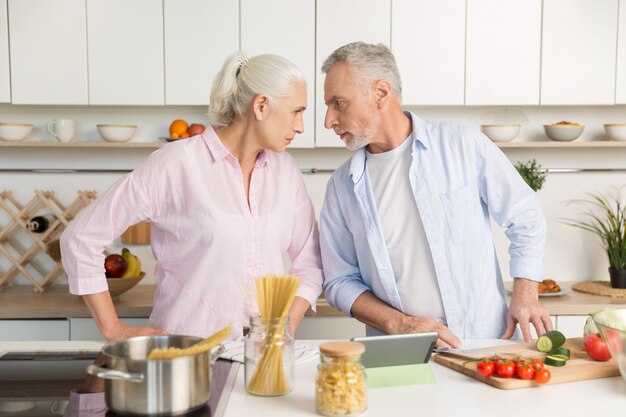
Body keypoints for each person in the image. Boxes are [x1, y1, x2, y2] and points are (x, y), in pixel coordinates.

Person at [61, 52, 323, 341]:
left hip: (263, 361)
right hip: (185, 356)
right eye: (296, 111)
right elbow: (80, 238)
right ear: (261, 106)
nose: (300, 126)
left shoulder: (286, 172)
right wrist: (113, 328)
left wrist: (283, 328)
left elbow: (310, 264)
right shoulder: (176, 163)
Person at [318, 42, 550, 347]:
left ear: (381, 93)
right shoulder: (341, 186)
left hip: (483, 341)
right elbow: (339, 281)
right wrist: (400, 324)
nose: (328, 121)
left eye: (338, 103)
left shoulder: (461, 144)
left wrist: (526, 294)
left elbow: (525, 216)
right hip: (399, 350)